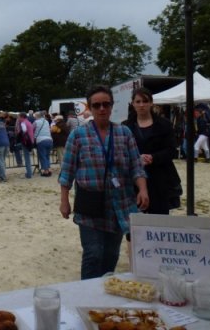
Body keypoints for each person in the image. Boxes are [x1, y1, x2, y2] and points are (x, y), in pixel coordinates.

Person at [59, 85, 149, 280]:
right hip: (90, 206)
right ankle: (87, 294)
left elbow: (136, 165)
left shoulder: (124, 133)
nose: (102, 109)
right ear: (90, 108)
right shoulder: (78, 135)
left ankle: (104, 292)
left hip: (119, 205)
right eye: (96, 105)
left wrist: (143, 189)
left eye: (106, 104)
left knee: (110, 255)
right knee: (93, 254)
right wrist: (64, 201)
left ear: (112, 106)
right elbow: (67, 171)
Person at [123, 88, 182, 214]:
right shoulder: (125, 126)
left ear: (151, 103)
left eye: (145, 101)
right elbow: (121, 152)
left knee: (159, 220)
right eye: (138, 101)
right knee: (134, 221)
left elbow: (171, 150)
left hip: (160, 179)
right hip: (133, 180)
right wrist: (137, 158)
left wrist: (153, 158)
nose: (141, 105)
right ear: (133, 104)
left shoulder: (164, 124)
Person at [33, 111, 54, 176]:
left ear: (37, 116)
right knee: (47, 156)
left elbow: (32, 130)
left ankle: (45, 171)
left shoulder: (36, 122)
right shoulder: (46, 122)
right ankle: (49, 169)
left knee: (42, 156)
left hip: (41, 140)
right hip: (49, 139)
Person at [15, 112, 35, 178]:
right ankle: (29, 173)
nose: (18, 118)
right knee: (27, 157)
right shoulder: (28, 122)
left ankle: (29, 174)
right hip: (30, 141)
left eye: (19, 117)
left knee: (27, 158)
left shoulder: (23, 123)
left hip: (26, 142)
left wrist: (19, 134)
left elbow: (24, 131)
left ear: (22, 117)